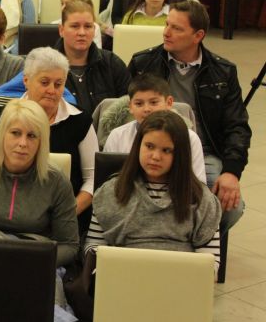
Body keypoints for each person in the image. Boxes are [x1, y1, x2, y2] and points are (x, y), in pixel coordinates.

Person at [128, 1, 250, 230]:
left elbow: (237, 127)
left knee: (231, 208)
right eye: (167, 24)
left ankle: (199, 243)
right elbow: (126, 112)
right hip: (151, 149)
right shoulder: (143, 63)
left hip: (203, 154)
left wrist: (231, 172)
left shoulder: (223, 72)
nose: (166, 32)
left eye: (176, 28)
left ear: (198, 35)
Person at [85, 111, 222, 272]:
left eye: (167, 150)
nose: (156, 156)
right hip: (123, 276)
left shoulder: (200, 197)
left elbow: (210, 261)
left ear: (180, 154)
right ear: (138, 146)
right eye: (149, 146)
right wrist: (103, 270)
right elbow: (93, 245)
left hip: (179, 279)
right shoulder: (111, 191)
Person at [0, 47, 99, 232]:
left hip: (64, 221)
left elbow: (93, 180)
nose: (52, 90)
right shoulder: (2, 117)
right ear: (26, 81)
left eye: (59, 84)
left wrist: (65, 215)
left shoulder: (80, 121)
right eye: (44, 82)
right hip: (5, 218)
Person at [0, 99, 79, 266]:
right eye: (15, 133)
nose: (22, 143)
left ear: (42, 142)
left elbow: (69, 245)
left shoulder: (57, 181)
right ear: (2, 134)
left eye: (32, 136)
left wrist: (27, 262)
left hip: (33, 261)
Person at [104, 73, 206, 182]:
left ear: (169, 103)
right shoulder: (117, 136)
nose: (146, 109)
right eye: (139, 104)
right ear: (130, 107)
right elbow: (107, 180)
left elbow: (198, 183)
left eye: (153, 102)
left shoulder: (190, 138)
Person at [55, 1, 130, 114]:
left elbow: (129, 108)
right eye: (75, 26)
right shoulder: (45, 66)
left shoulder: (113, 64)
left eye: (88, 26)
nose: (82, 32)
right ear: (61, 30)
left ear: (94, 30)